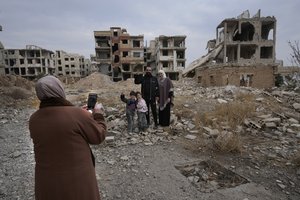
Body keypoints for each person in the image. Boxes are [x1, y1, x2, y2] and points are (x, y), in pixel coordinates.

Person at [29, 75, 107, 200]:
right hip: (77, 184)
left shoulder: (34, 119)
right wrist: (98, 114)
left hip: (47, 184)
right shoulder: (78, 114)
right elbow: (99, 136)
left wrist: (79, 114)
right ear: (59, 90)